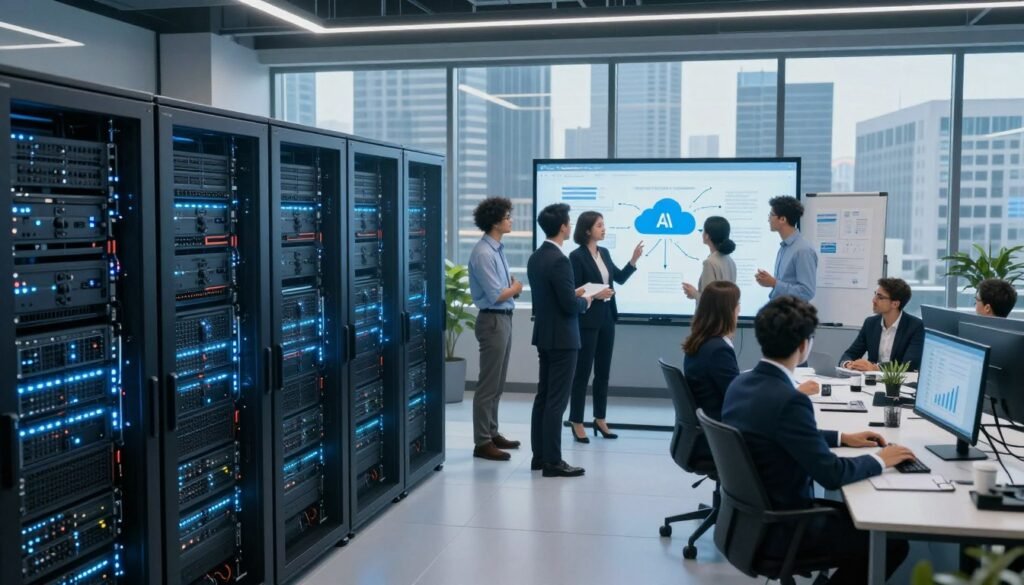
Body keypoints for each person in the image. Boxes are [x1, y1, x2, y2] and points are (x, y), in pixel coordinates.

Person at [721, 296, 915, 584]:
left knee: (853, 514)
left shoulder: (741, 382)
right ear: (804, 345)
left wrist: (842, 437)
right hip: (785, 528)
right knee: (893, 543)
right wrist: (880, 459)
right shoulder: (789, 400)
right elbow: (832, 474)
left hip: (749, 523)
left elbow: (776, 432)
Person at [567, 211, 644, 443]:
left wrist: (633, 261)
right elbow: (576, 289)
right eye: (599, 225)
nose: (604, 229)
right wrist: (596, 294)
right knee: (582, 372)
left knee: (603, 372)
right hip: (588, 319)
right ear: (587, 230)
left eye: (604, 225)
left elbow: (618, 278)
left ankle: (600, 419)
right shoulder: (576, 256)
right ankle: (576, 420)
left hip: (607, 318)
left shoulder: (605, 253)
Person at [528, 203, 591, 478]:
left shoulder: (536, 257)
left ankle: (540, 457)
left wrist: (572, 295)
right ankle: (553, 462)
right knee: (557, 401)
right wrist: (586, 300)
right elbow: (569, 305)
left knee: (543, 397)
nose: (570, 226)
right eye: (569, 222)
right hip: (564, 338)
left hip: (545, 335)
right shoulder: (560, 260)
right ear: (563, 227)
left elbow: (552, 297)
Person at [467, 197, 524, 461]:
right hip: (492, 320)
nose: (511, 220)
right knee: (488, 385)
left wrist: (511, 289)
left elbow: (504, 289)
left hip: (503, 318)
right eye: (507, 216)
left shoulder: (497, 250)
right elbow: (496, 294)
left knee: (498, 383)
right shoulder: (483, 253)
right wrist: (515, 288)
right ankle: (482, 442)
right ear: (495, 221)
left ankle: (492, 432)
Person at [839, 278, 925, 371]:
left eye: (880, 297)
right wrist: (849, 364)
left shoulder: (915, 326)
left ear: (895, 304)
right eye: (875, 294)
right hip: (870, 379)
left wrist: (875, 368)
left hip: (897, 380)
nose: (874, 300)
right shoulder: (870, 323)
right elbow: (850, 354)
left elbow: (909, 365)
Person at [755, 196, 818, 301]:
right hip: (780, 308)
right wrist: (771, 282)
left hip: (792, 310)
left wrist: (774, 283)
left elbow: (807, 292)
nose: (768, 219)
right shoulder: (784, 247)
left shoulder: (803, 250)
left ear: (783, 219)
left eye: (771, 215)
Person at [682, 216, 738, 305]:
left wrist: (694, 293)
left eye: (703, 231)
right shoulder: (730, 260)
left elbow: (709, 302)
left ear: (707, 236)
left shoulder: (710, 263)